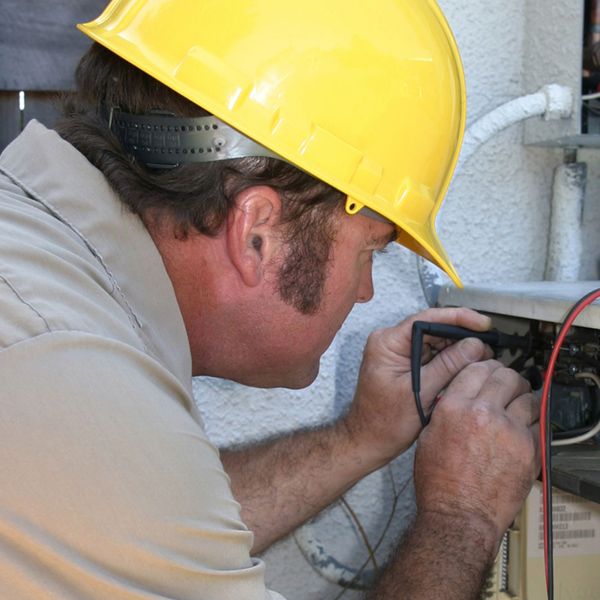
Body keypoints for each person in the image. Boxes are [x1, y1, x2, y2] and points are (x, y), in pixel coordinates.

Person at [0, 0, 540, 598]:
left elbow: (154, 515)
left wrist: (361, 436)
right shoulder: (67, 374)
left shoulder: (45, 271)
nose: (364, 292)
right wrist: (463, 515)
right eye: (371, 251)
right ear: (257, 234)